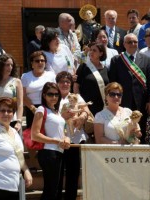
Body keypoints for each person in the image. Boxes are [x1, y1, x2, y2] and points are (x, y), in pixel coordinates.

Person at [108, 33, 150, 142]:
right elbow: (113, 83)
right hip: (122, 100)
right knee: (123, 126)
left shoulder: (146, 59)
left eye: (135, 42)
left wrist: (149, 101)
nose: (132, 44)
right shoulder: (116, 60)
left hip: (141, 102)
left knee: (140, 128)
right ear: (124, 44)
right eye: (129, 42)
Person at [31, 82, 70, 200]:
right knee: (51, 190)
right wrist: (56, 141)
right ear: (44, 95)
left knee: (53, 189)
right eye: (50, 94)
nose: (54, 97)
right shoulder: (41, 109)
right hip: (48, 152)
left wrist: (66, 138)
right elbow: (35, 134)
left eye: (56, 94)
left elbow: (63, 132)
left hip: (57, 152)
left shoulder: (56, 111)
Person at [56, 71, 90, 200]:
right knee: (58, 175)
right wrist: (62, 116)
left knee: (73, 174)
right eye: (62, 81)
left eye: (67, 82)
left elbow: (86, 110)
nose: (65, 84)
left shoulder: (76, 97)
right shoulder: (54, 96)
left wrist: (82, 116)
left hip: (75, 139)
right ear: (57, 83)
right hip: (57, 140)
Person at [0, 54, 23, 132]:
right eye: (7, 65)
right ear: (1, 66)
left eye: (11, 65)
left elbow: (20, 104)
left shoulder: (17, 81)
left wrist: (19, 121)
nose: (10, 67)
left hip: (12, 119)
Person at [21, 51, 56, 129]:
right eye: (37, 61)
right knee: (33, 136)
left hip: (48, 108)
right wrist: (33, 109)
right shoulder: (25, 76)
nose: (40, 63)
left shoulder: (51, 75)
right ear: (32, 64)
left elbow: (55, 93)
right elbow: (23, 95)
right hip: (31, 109)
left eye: (42, 60)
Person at [74, 42, 109, 115]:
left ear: (101, 53)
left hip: (102, 106)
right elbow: (76, 87)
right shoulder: (83, 67)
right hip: (86, 106)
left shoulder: (106, 69)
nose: (91, 52)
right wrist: (80, 103)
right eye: (90, 50)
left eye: (94, 50)